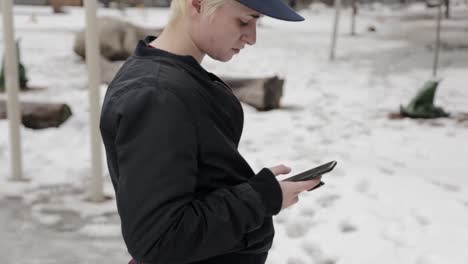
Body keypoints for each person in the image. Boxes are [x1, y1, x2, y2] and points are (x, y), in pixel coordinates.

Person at [99, 0, 322, 263]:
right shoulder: (157, 95)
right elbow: (159, 238)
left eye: (257, 22)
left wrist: (262, 193)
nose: (251, 37)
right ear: (198, 5)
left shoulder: (174, 80)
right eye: (244, 21)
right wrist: (260, 198)